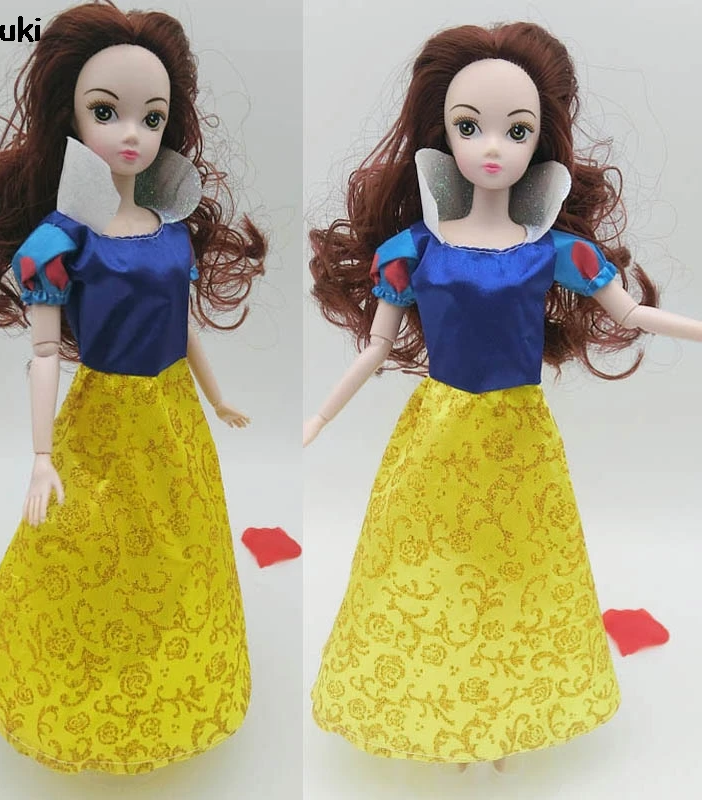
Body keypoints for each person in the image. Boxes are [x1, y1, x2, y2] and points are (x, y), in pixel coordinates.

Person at [304, 21, 702, 769]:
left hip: (519, 436)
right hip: (438, 431)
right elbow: (378, 348)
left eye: (516, 130)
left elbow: (629, 314)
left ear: (540, 141)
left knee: (518, 571)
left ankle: (507, 716)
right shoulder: (415, 250)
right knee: (432, 567)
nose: (492, 147)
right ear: (442, 136)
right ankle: (445, 712)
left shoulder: (553, 250)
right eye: (469, 126)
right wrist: (321, 414)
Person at [0, 2, 265, 774]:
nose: (131, 133)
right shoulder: (61, 240)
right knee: (90, 547)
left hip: (175, 414)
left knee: (176, 548)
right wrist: (41, 455)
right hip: (105, 416)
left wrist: (216, 396)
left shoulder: (169, 229)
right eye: (106, 112)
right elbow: (44, 353)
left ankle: (169, 683)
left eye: (152, 116)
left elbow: (182, 324)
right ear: (72, 118)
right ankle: (79, 689)